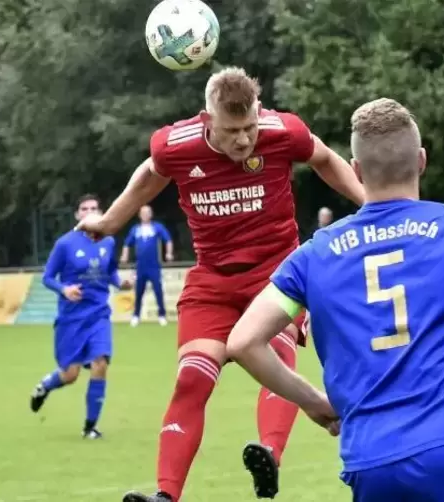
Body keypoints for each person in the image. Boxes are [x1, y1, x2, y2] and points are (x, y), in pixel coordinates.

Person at [226, 98, 444, 501]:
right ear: (421, 160)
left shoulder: (315, 255)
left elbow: (244, 342)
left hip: (371, 461)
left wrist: (314, 401)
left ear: (356, 170)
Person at [77, 67, 365, 502]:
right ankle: (166, 496)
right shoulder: (175, 144)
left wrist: (375, 204)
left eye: (249, 127)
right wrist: (112, 220)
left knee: (277, 360)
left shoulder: (283, 131)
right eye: (232, 131)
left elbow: (324, 158)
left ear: (259, 112)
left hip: (278, 274)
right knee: (191, 380)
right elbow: (152, 172)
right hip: (212, 282)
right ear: (207, 119)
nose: (244, 140)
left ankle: (270, 455)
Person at [30, 194, 132, 438]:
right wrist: (64, 289)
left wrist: (122, 283)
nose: (90, 212)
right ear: (77, 215)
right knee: (70, 375)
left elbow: (111, 273)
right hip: (72, 319)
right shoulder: (65, 244)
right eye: (84, 209)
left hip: (98, 315)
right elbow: (47, 277)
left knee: (101, 363)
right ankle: (45, 386)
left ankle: (90, 427)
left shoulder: (107, 241)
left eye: (95, 208)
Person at [121, 205, 174, 327]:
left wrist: (169, 253)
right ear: (139, 215)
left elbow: (168, 240)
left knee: (158, 291)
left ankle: (162, 315)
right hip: (140, 267)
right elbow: (126, 244)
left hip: (154, 266)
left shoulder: (157, 227)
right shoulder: (135, 229)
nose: (145, 215)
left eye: (148, 212)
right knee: (139, 292)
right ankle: (136, 316)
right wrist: (124, 256)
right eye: (143, 213)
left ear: (151, 214)